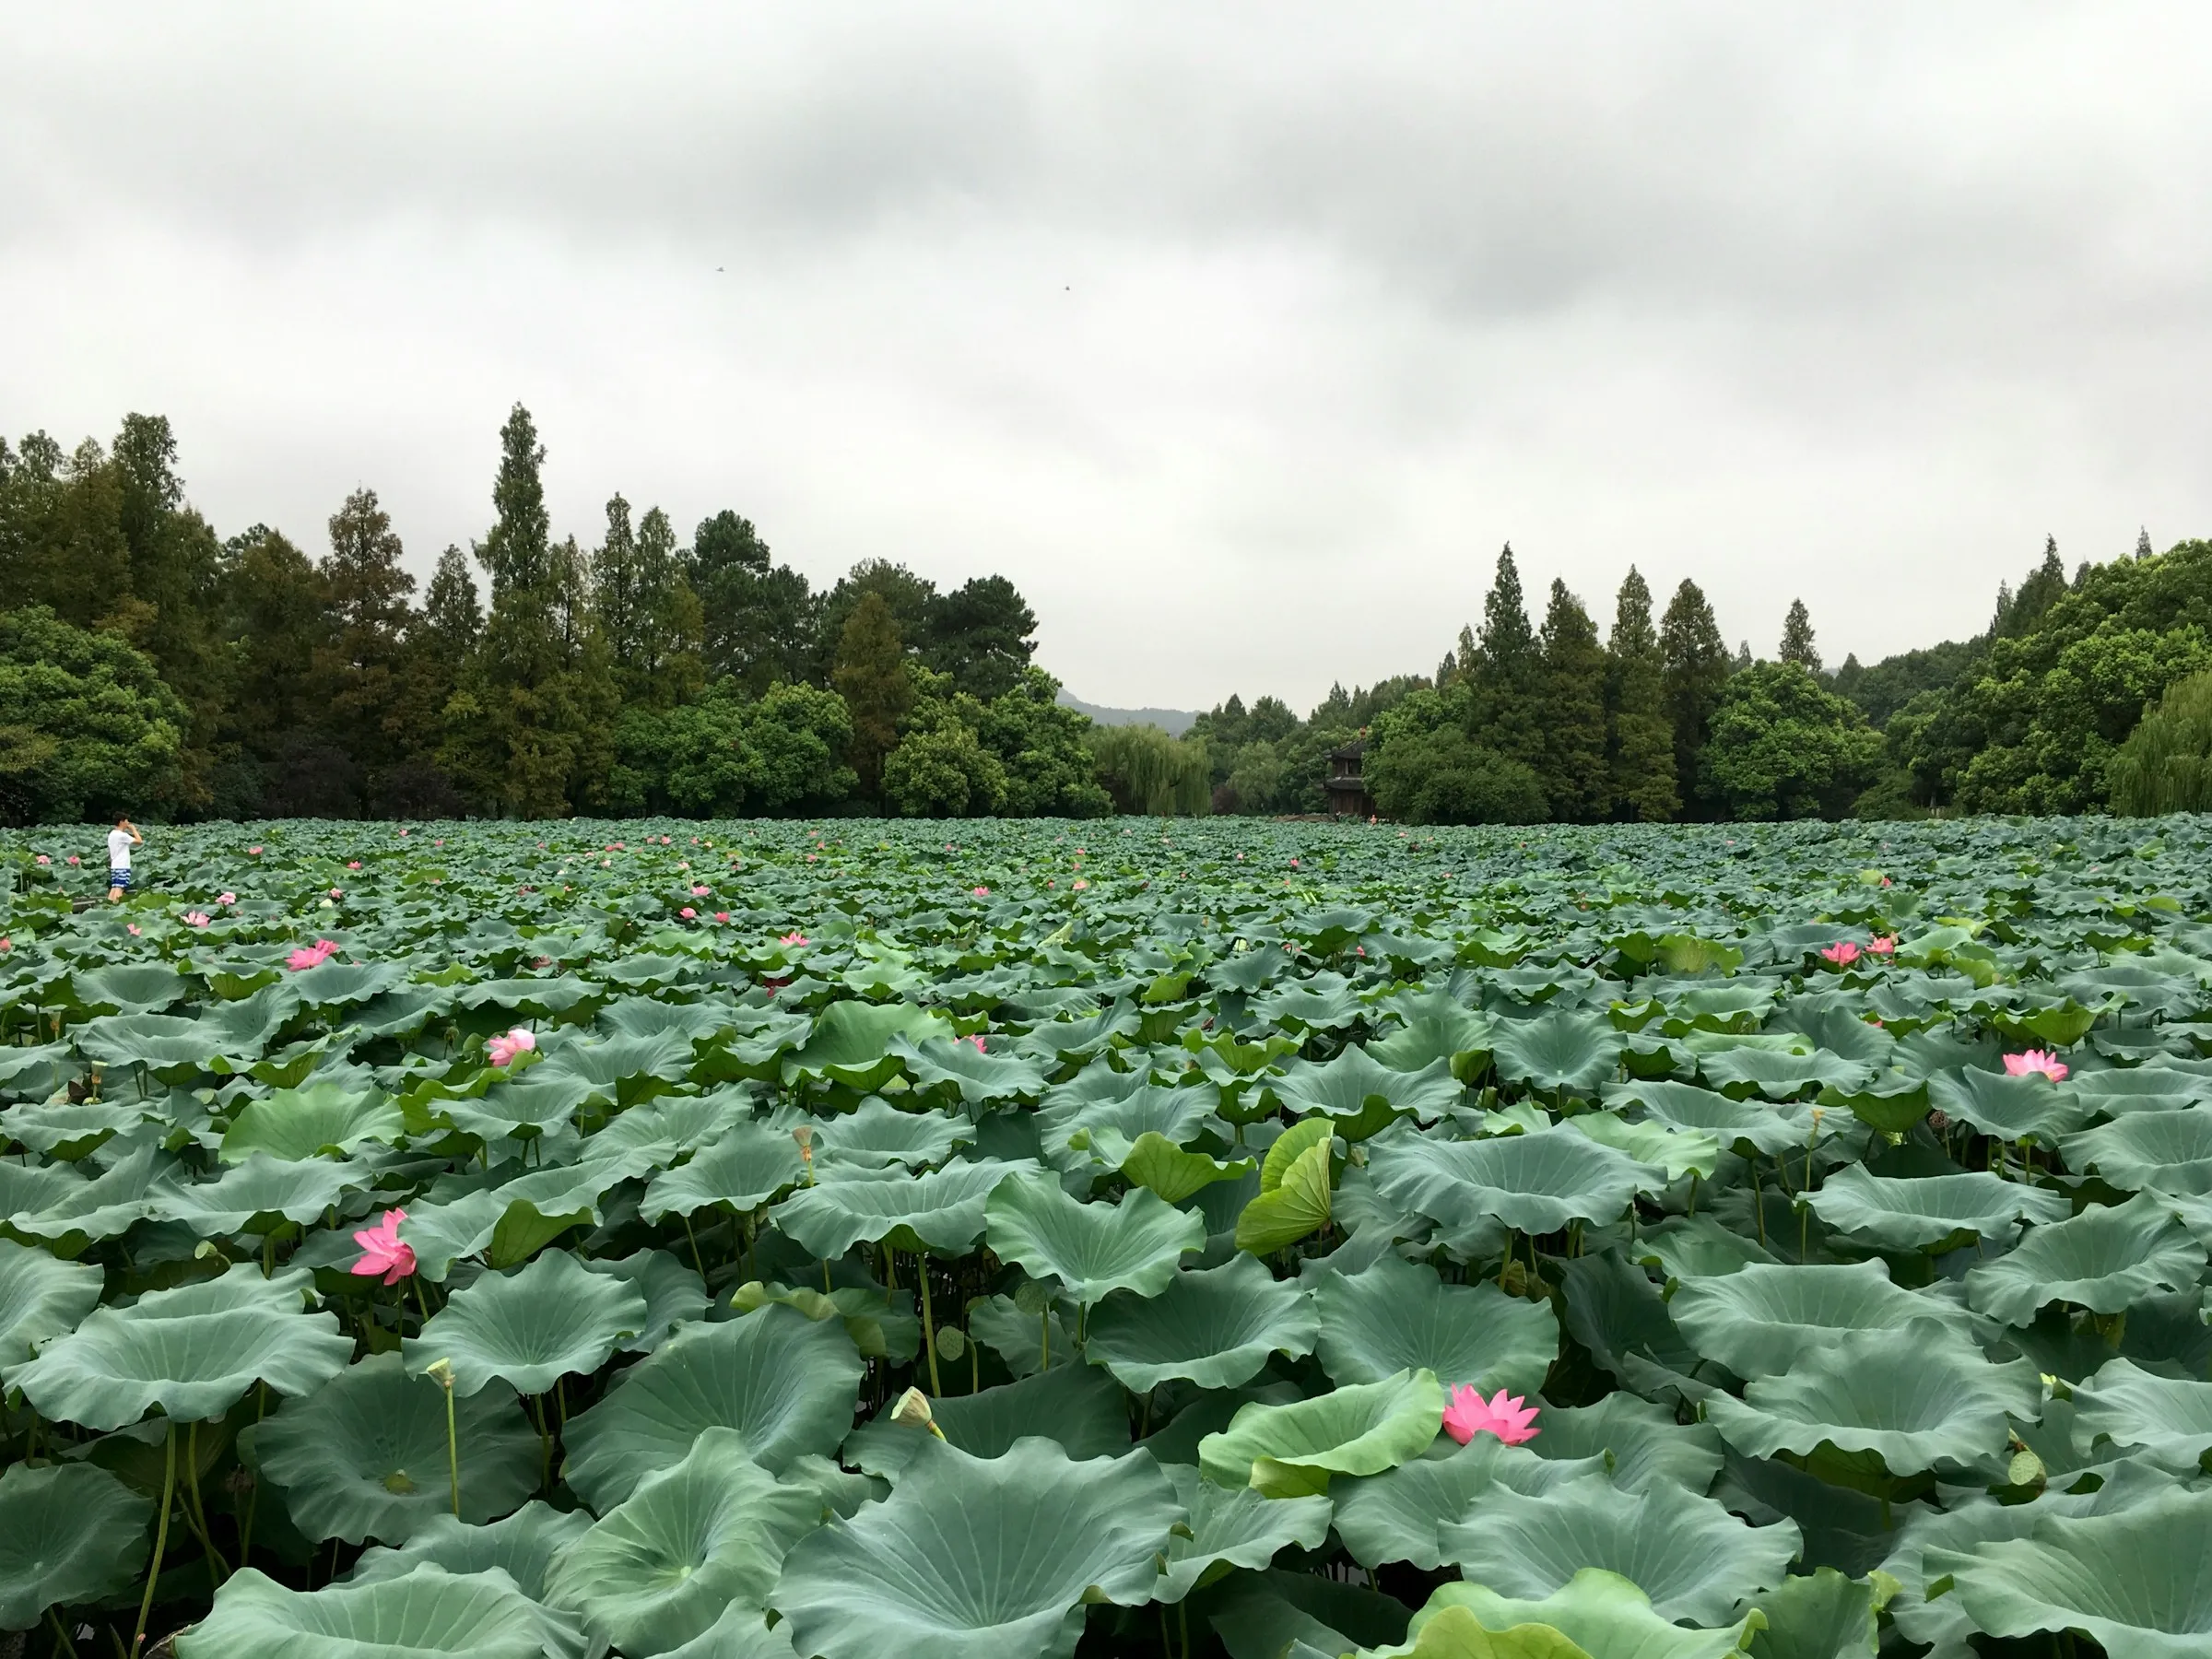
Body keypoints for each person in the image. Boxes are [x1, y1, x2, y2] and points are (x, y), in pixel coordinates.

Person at [106, 815, 142, 903]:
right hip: (122, 865)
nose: (128, 823)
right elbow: (139, 841)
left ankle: (109, 905)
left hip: (114, 865)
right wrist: (133, 830)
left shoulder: (112, 834)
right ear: (121, 822)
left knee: (114, 887)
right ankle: (117, 907)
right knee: (120, 888)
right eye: (126, 821)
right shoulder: (122, 835)